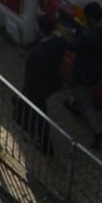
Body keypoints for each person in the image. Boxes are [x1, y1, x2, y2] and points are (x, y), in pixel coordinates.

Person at [60, 1, 102, 147]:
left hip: (84, 73)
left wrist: (61, 40)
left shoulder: (87, 37)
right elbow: (87, 33)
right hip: (98, 70)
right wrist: (75, 32)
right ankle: (74, 105)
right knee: (81, 94)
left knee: (84, 99)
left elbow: (75, 46)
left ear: (90, 18)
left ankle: (99, 131)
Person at [16, 11, 70, 150]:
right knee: (36, 107)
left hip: (37, 87)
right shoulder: (59, 43)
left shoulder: (36, 53)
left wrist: (27, 90)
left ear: (39, 30)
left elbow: (29, 76)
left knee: (39, 111)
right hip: (51, 82)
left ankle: (44, 141)